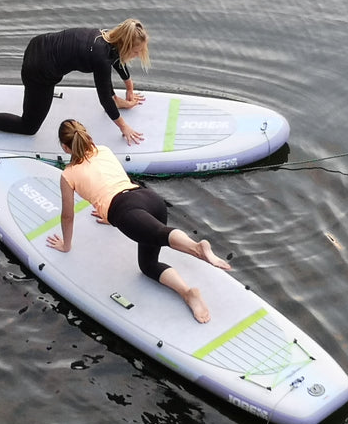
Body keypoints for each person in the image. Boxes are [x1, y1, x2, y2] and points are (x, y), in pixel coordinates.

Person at [46, 119, 230, 323]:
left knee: (160, 233)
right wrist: (109, 216)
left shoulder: (68, 174)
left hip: (126, 211)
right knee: (148, 264)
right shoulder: (104, 150)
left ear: (64, 147)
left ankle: (196, 247)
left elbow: (67, 215)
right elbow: (113, 183)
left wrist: (66, 244)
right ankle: (188, 293)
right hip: (147, 199)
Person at [0, 19, 150, 145]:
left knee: (109, 91)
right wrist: (124, 127)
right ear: (125, 44)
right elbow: (105, 99)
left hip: (38, 45)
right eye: (135, 52)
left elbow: (116, 60)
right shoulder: (100, 57)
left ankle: (120, 99)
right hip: (39, 71)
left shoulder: (105, 37)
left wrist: (129, 87)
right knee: (28, 127)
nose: (135, 56)